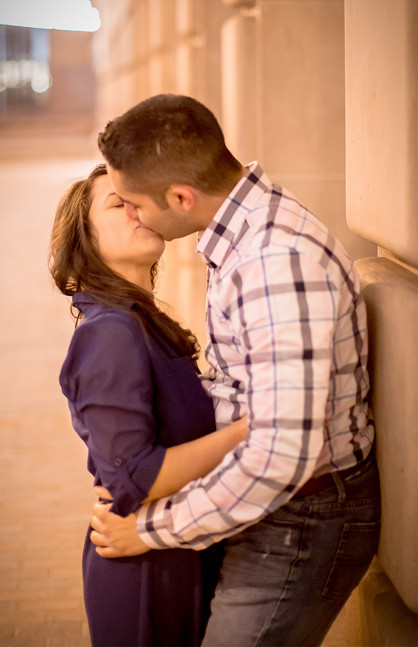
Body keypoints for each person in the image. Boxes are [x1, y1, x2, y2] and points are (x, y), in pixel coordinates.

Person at [88, 94, 380, 647]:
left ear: (181, 196)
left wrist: (151, 529)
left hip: (302, 518)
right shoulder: (244, 231)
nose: (131, 214)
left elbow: (280, 456)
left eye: (132, 203)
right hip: (271, 504)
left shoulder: (274, 263)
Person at [52, 164, 249, 646]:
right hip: (145, 569)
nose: (134, 209)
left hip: (176, 545)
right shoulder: (109, 333)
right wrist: (255, 430)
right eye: (117, 204)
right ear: (87, 241)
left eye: (135, 199)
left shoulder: (141, 321)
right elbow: (132, 477)